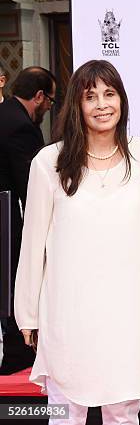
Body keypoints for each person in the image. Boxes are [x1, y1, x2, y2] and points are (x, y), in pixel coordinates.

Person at [15, 60, 140, 425]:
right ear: (76, 106)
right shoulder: (48, 163)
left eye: (109, 94)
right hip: (67, 314)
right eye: (90, 96)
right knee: (64, 415)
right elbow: (32, 244)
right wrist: (27, 314)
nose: (101, 105)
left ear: (122, 100)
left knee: (124, 416)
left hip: (124, 316)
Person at [0, 66, 55, 372]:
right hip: (5, 218)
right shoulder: (21, 126)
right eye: (50, 100)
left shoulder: (4, 113)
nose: (48, 107)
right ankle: (16, 354)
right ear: (38, 96)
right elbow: (31, 186)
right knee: (10, 281)